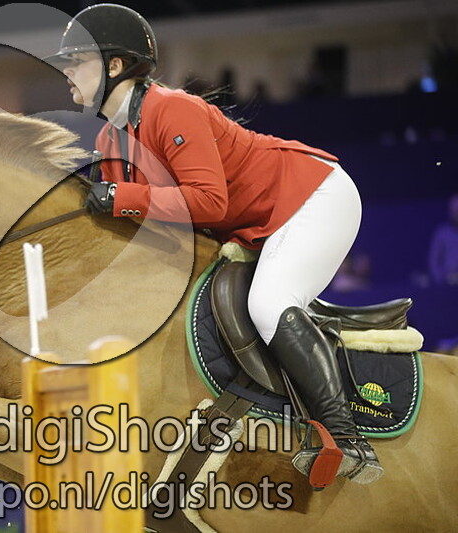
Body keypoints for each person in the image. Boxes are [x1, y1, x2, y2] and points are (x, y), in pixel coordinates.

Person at [45, 3, 381, 484]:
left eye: (75, 61)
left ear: (114, 65)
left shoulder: (170, 108)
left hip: (311, 197)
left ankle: (348, 439)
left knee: (269, 304)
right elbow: (143, 224)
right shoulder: (109, 140)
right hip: (260, 222)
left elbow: (208, 202)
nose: (66, 72)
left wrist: (121, 197)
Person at [428, 193, 458, 286]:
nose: (456, 214)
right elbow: (433, 261)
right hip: (447, 283)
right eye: (454, 211)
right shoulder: (442, 232)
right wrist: (442, 280)